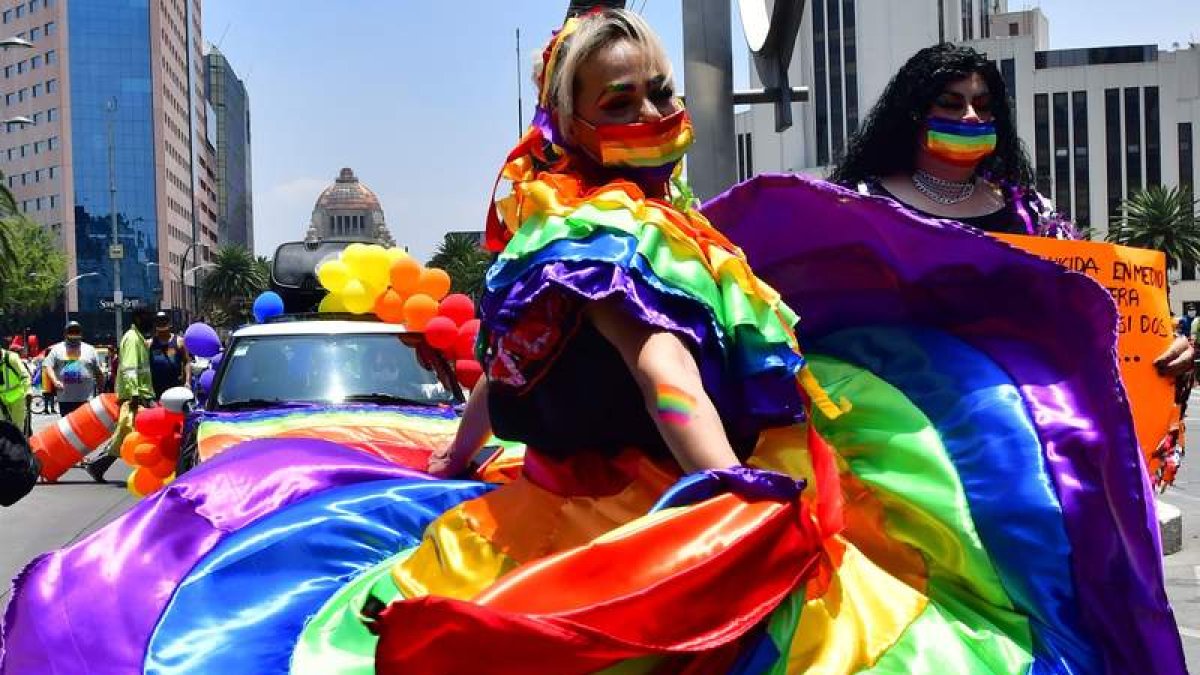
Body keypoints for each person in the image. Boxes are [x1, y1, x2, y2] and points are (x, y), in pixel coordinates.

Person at [371, 10, 838, 668]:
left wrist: (457, 451)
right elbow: (661, 365)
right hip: (625, 522)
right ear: (573, 126)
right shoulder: (602, 230)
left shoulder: (666, 219)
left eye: (662, 91)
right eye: (621, 101)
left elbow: (507, 367)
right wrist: (730, 489)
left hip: (659, 484)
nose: (652, 111)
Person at [829, 42, 1195, 379]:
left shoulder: (1031, 213)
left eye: (983, 104)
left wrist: (1166, 341)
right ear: (911, 115)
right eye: (950, 103)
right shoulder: (858, 205)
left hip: (1020, 426)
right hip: (895, 425)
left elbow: (1092, 304)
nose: (971, 116)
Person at [83, 309, 155, 482]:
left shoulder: (137, 338)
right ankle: (100, 465)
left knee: (126, 434)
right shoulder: (132, 339)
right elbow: (130, 369)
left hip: (139, 395)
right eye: (147, 317)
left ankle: (98, 466)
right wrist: (134, 395)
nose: (150, 321)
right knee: (131, 434)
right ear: (137, 318)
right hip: (136, 396)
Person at [42, 321, 104, 418]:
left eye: (76, 331)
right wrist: (55, 381)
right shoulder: (57, 349)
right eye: (71, 331)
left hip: (86, 399)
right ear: (65, 333)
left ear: (81, 333)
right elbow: (48, 366)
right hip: (65, 399)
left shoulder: (90, 349)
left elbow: (99, 373)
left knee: (84, 426)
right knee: (69, 428)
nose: (74, 334)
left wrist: (101, 393)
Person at [147, 311, 191, 398]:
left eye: (164, 321)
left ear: (169, 323)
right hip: (156, 389)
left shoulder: (179, 341)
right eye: (158, 321)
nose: (161, 324)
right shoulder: (149, 344)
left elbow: (187, 362)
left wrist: (187, 382)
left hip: (175, 387)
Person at [0, 342, 31, 435]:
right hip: (1, 399)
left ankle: (19, 447)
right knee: (2, 429)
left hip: (17, 398)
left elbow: (25, 376)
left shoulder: (12, 358)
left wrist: (28, 392)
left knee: (18, 428)